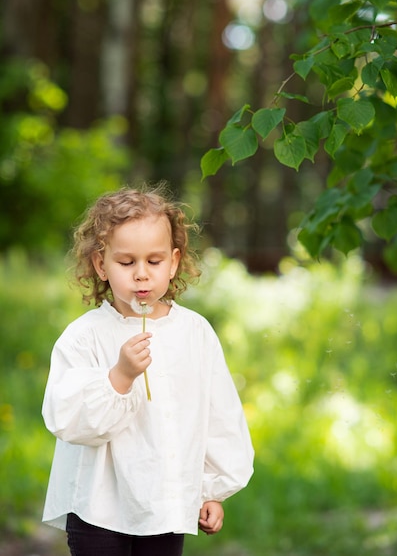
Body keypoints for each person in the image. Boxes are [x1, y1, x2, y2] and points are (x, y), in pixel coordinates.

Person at [42, 183, 254, 556]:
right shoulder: (85, 336)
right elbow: (66, 418)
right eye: (126, 262)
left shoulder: (194, 333)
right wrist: (120, 376)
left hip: (166, 506)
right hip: (98, 510)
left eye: (153, 262)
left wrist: (211, 489)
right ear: (100, 265)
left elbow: (218, 414)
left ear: (173, 263)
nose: (141, 274)